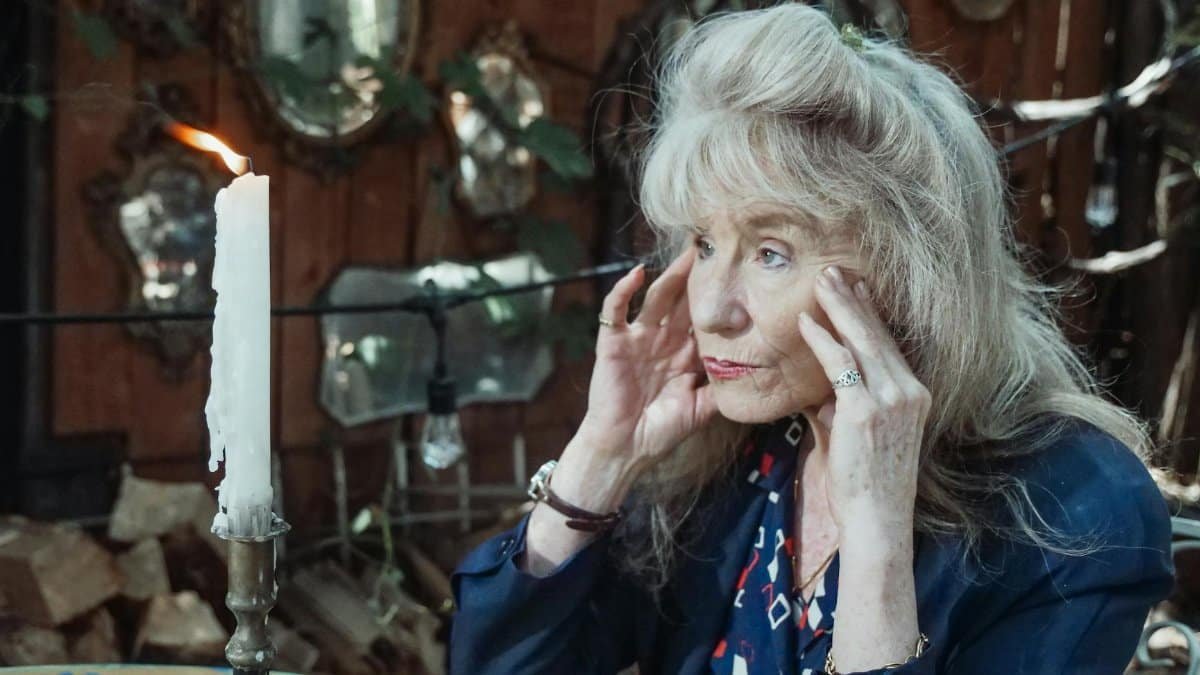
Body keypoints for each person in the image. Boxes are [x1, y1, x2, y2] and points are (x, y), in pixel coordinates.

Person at [447, 3, 1175, 673]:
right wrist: (600, 456)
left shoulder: (1079, 512)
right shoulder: (738, 451)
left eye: (771, 253)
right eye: (703, 242)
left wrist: (877, 535)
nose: (712, 310)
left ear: (909, 272)